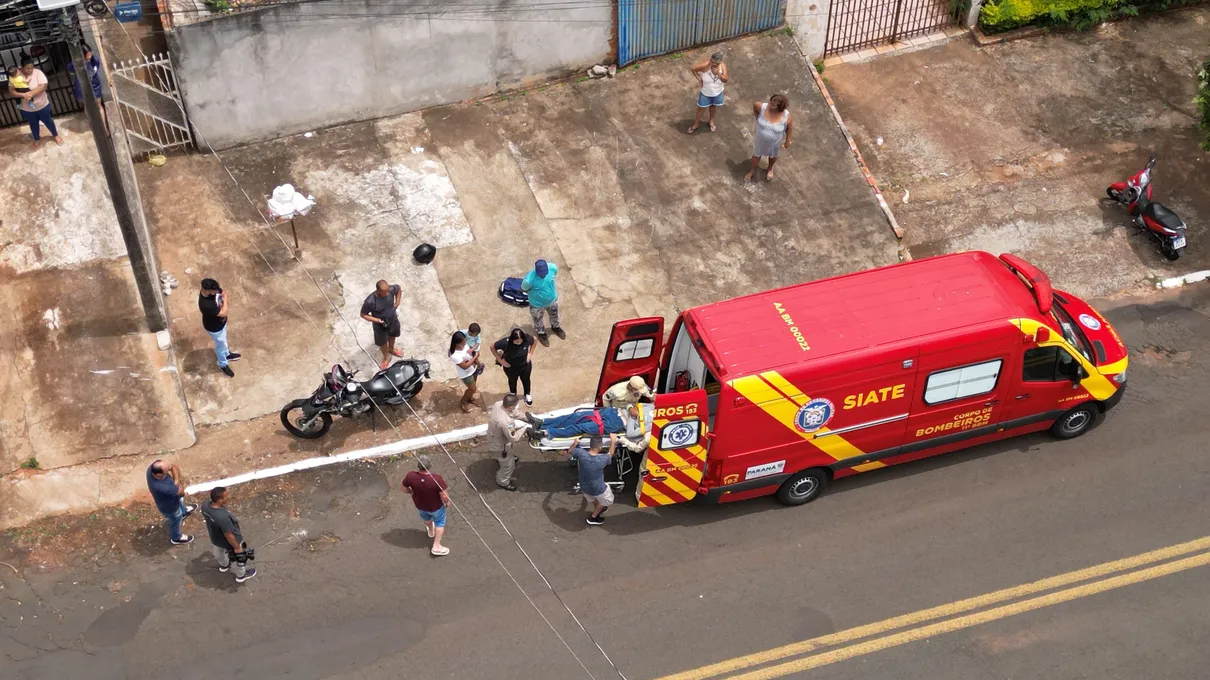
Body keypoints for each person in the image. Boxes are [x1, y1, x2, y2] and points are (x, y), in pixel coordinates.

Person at [200, 487, 257, 583]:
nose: (228, 498)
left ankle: (224, 565)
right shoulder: (222, 517)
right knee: (238, 559)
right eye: (226, 496)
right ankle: (241, 575)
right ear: (220, 500)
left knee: (219, 554)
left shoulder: (205, 506)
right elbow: (229, 535)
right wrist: (237, 548)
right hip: (232, 541)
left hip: (216, 538)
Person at [402, 455, 451, 556]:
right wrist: (447, 502)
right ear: (430, 465)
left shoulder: (410, 476)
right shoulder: (436, 479)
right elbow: (444, 495)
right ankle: (436, 547)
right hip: (436, 507)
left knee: (426, 518)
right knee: (440, 523)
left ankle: (431, 531)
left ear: (418, 466)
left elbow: (403, 488)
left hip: (420, 506)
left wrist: (411, 492)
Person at [562, 436, 617, 525]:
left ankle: (597, 507)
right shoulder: (602, 459)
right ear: (600, 447)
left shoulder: (581, 454)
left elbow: (570, 450)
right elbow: (611, 453)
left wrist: (575, 443)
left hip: (584, 486)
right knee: (605, 502)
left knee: (594, 499)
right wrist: (613, 441)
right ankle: (594, 517)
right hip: (599, 489)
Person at [8, 57, 62, 149]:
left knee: (48, 121)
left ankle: (55, 135)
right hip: (26, 108)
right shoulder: (16, 75)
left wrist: (31, 94)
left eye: (32, 68)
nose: (30, 70)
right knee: (33, 123)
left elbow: (43, 86)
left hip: (42, 105)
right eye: (27, 68)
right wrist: (23, 95)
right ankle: (37, 139)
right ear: (21, 68)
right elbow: (11, 91)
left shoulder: (38, 73)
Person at [146, 459, 197, 545]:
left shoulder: (151, 469)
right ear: (158, 474)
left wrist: (176, 482)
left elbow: (173, 466)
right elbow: (181, 492)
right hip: (170, 507)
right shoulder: (163, 487)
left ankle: (184, 512)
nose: (168, 470)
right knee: (175, 520)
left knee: (180, 505)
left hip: (173, 498)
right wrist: (177, 482)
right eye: (166, 472)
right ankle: (176, 537)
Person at [745, 94, 793, 183]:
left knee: (773, 156)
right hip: (760, 140)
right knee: (756, 156)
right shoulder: (762, 107)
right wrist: (757, 117)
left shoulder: (786, 116)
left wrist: (787, 141)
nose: (770, 107)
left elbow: (789, 128)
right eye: (770, 103)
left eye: (773, 107)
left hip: (774, 143)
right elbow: (755, 105)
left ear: (780, 108)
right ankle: (751, 170)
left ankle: (770, 168)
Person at [198, 278, 240, 377]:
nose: (217, 291)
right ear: (206, 290)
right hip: (215, 328)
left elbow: (222, 292)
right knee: (220, 346)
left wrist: (223, 295)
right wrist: (225, 301)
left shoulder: (213, 289)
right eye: (214, 291)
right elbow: (223, 312)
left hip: (221, 323)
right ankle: (223, 364)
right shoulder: (206, 305)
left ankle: (227, 354)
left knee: (223, 342)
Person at [486, 394, 527, 491]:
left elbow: (514, 412)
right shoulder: (505, 422)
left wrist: (526, 417)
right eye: (515, 405)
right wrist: (525, 428)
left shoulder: (498, 404)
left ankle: (503, 459)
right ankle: (503, 481)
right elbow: (513, 437)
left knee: (505, 457)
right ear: (510, 406)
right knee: (508, 465)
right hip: (500, 445)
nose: (515, 407)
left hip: (493, 436)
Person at [360, 280, 403, 369]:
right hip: (380, 325)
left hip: (392, 319)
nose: (387, 294)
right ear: (378, 291)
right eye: (385, 292)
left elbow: (398, 288)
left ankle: (391, 348)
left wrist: (397, 302)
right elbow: (363, 314)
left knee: (393, 335)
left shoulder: (390, 289)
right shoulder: (370, 301)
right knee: (382, 342)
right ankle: (386, 358)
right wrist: (377, 320)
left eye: (388, 291)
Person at [67, 42, 107, 133]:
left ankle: (104, 127)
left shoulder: (94, 60)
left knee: (98, 106)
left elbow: (96, 70)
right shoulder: (75, 64)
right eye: (87, 55)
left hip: (95, 87)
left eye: (90, 54)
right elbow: (71, 71)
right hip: (82, 88)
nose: (89, 57)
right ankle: (93, 125)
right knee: (87, 106)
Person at [522, 259, 562, 343]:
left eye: (545, 273)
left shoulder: (553, 268)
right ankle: (541, 333)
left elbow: (554, 275)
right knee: (538, 320)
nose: (543, 275)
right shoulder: (529, 280)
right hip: (537, 305)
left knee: (555, 315)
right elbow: (522, 289)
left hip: (552, 300)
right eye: (541, 274)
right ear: (536, 271)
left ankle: (556, 327)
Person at [493, 327, 536, 405]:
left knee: (526, 380)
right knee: (512, 381)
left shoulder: (527, 339)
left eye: (520, 341)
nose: (519, 343)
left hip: (525, 366)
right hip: (511, 367)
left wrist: (530, 353)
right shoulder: (505, 343)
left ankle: (527, 394)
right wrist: (500, 360)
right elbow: (492, 347)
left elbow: (535, 340)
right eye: (516, 341)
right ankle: (513, 393)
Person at [687, 52, 728, 135]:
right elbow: (693, 69)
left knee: (713, 106)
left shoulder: (722, 66)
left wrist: (718, 74)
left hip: (717, 92)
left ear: (720, 62)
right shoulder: (706, 65)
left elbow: (726, 80)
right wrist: (699, 79)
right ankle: (696, 123)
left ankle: (711, 121)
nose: (713, 64)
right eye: (712, 62)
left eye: (715, 63)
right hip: (705, 92)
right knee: (701, 108)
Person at [449, 331, 483, 413]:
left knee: (473, 387)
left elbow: (471, 354)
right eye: (463, 342)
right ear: (457, 343)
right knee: (473, 389)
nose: (465, 343)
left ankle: (470, 398)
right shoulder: (454, 355)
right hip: (466, 374)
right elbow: (464, 366)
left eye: (465, 341)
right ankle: (464, 401)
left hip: (473, 369)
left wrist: (478, 364)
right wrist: (475, 357)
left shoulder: (466, 346)